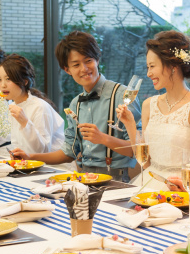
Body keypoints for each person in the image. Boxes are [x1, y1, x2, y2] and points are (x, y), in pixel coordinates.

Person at [11, 31, 141, 182]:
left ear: (97, 60)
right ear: (67, 69)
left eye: (88, 61)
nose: (84, 69)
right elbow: (68, 153)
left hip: (115, 180)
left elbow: (137, 149)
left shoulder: (122, 95)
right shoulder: (75, 104)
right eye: (76, 65)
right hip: (82, 179)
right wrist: (31, 157)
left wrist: (104, 139)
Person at [117, 30, 190, 190]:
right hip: (152, 182)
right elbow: (145, 162)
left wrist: (182, 190)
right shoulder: (149, 104)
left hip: (183, 187)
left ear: (173, 66)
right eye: (147, 67)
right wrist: (130, 124)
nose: (148, 73)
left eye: (152, 66)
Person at [0, 54, 65, 153]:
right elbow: (18, 144)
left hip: (52, 166)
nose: (3, 85)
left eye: (8, 79)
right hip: (26, 164)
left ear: (24, 81)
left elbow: (43, 150)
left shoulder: (40, 107)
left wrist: (25, 122)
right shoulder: (13, 105)